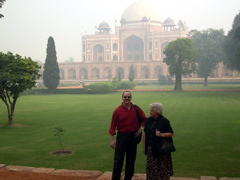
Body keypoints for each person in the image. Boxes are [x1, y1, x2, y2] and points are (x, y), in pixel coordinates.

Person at [109, 91, 146, 180]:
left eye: (128, 97)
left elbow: (144, 119)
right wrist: (112, 140)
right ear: (122, 98)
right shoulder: (117, 110)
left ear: (131, 98)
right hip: (122, 137)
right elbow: (113, 126)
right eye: (125, 97)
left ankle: (128, 178)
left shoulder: (136, 108)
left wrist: (140, 129)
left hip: (133, 137)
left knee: (131, 159)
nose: (127, 99)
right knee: (118, 160)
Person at [143, 103, 174, 180]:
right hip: (151, 149)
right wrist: (144, 146)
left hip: (161, 149)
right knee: (151, 169)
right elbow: (145, 133)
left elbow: (171, 133)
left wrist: (161, 135)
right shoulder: (148, 120)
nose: (150, 112)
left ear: (157, 112)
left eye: (151, 111)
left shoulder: (164, 121)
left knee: (162, 169)